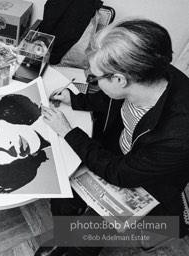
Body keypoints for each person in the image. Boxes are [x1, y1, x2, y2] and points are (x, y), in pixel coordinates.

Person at [37, 18, 189, 256]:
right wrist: (77, 100)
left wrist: (67, 131)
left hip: (145, 182)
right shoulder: (146, 68)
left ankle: (77, 247)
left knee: (86, 237)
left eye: (94, 78)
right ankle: (65, 238)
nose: (92, 81)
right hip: (119, 155)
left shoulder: (179, 135)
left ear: (119, 79)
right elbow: (112, 99)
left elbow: (120, 174)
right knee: (62, 198)